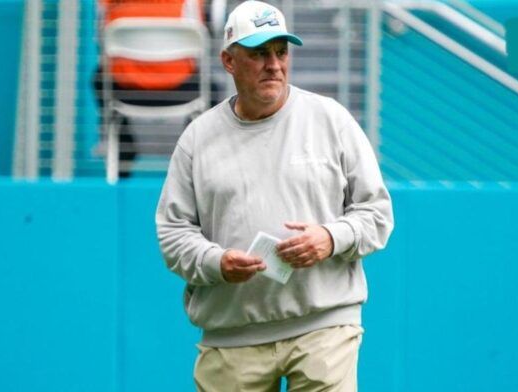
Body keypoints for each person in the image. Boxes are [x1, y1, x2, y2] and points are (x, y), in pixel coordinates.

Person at [155, 1, 393, 390]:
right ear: (229, 62)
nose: (274, 64)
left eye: (281, 52)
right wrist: (217, 262)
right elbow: (173, 233)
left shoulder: (330, 119)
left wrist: (331, 239)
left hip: (324, 326)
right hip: (232, 334)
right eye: (259, 53)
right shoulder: (197, 139)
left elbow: (377, 213)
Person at [93, 0, 207, 177]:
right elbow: (201, 39)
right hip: (179, 89)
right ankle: (192, 152)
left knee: (99, 77)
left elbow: (101, 39)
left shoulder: (109, 3)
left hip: (126, 91)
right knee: (212, 89)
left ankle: (123, 147)